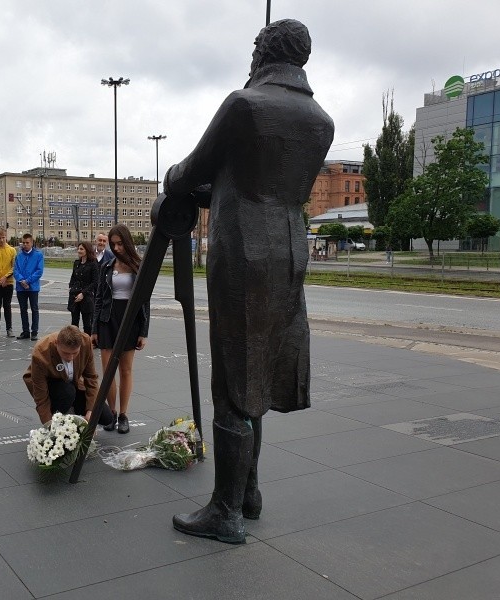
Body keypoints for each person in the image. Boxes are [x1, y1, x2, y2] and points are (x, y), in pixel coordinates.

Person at [163, 19, 334, 543]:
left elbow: (191, 171)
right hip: (289, 249)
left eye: (255, 47)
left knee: (232, 380)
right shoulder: (321, 121)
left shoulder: (245, 105)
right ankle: (249, 492)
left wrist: (174, 178)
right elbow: (270, 181)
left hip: (242, 251)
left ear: (263, 52)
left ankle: (225, 511)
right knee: (257, 372)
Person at [91, 224, 149, 434]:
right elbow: (99, 299)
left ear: (127, 242)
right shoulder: (107, 266)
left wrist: (144, 331)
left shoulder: (138, 266)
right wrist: (94, 329)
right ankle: (112, 414)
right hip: (108, 319)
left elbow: (145, 301)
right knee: (108, 371)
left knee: (125, 369)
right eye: (113, 244)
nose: (116, 248)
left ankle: (124, 415)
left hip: (130, 320)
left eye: (120, 244)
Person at [24, 324, 113, 426]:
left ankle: (73, 410)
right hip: (53, 387)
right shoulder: (41, 352)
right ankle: (61, 416)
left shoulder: (86, 342)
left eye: (75, 353)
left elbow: (91, 378)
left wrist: (90, 411)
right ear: (57, 343)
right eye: (66, 353)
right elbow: (41, 397)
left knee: (106, 417)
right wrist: (49, 425)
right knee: (67, 392)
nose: (70, 357)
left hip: (73, 383)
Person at [14, 233, 44, 340]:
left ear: (32, 243)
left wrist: (28, 281)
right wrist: (21, 280)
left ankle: (34, 331)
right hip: (21, 287)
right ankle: (25, 331)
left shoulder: (38, 255)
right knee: (23, 309)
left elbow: (39, 271)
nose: (25, 245)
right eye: (24, 243)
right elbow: (15, 270)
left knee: (34, 308)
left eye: (27, 243)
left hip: (33, 287)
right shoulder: (19, 255)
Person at [68, 241, 98, 334]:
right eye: (78, 249)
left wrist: (83, 294)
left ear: (87, 250)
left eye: (81, 249)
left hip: (86, 297)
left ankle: (87, 343)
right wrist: (71, 287)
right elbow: (73, 277)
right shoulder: (77, 263)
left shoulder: (93, 263)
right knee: (74, 323)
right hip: (75, 295)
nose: (79, 251)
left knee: (87, 324)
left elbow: (95, 282)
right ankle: (74, 343)